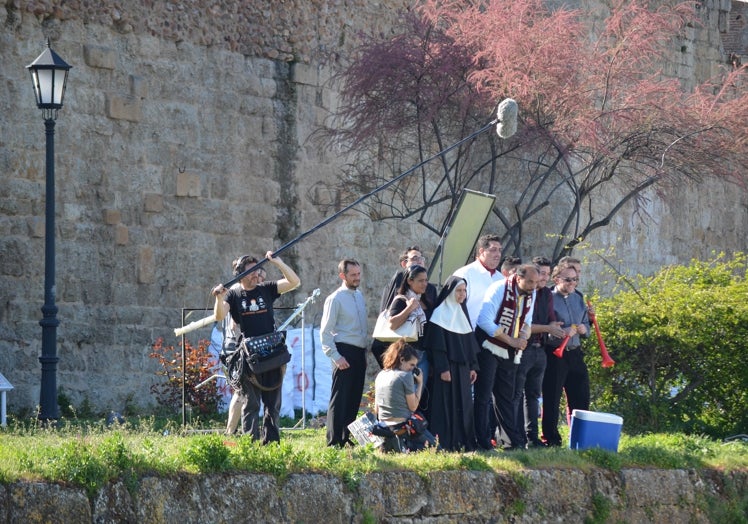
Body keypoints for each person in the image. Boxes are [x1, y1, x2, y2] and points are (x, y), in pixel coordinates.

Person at [212, 252, 300, 443]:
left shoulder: (266, 289)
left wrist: (277, 262)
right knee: (250, 403)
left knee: (273, 404)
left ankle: (272, 445)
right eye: (251, 271)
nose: (256, 274)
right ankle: (249, 445)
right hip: (248, 356)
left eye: (257, 269)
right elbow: (219, 316)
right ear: (240, 274)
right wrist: (219, 298)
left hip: (272, 353)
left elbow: (294, 282)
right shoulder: (234, 295)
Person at [475, 264, 538, 450]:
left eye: (535, 282)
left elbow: (528, 321)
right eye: (530, 282)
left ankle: (511, 441)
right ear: (518, 278)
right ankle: (483, 441)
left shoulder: (530, 293)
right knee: (483, 395)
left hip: (510, 350)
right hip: (488, 346)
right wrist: (511, 340)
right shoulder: (499, 289)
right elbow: (484, 320)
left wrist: (524, 337)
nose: (534, 286)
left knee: (506, 396)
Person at [514, 257, 565, 448]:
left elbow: (550, 320)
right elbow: (524, 325)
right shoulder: (525, 294)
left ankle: (532, 437)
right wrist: (548, 328)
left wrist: (553, 326)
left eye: (547, 274)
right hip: (524, 348)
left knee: (534, 395)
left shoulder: (546, 295)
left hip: (540, 349)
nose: (544, 278)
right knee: (517, 394)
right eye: (541, 274)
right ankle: (516, 436)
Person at [423, 276, 479, 451]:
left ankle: (463, 443)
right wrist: (443, 368)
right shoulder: (439, 314)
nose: (462, 295)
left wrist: (473, 367)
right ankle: (444, 443)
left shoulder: (462, 313)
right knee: (445, 405)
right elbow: (437, 347)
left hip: (462, 369)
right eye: (459, 291)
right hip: (446, 369)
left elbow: (470, 344)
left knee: (464, 405)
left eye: (464, 291)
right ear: (450, 292)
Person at [320, 259, 369, 447]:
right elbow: (325, 332)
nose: (357, 278)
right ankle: (333, 442)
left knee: (354, 397)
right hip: (344, 351)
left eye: (358, 274)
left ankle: (346, 437)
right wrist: (335, 356)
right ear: (343, 275)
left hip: (359, 351)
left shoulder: (359, 296)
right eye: (353, 275)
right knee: (340, 398)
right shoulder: (335, 298)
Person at [541, 263, 591, 447]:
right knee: (552, 398)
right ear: (556, 279)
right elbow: (544, 331)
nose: (572, 283)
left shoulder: (578, 298)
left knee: (581, 396)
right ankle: (551, 439)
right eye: (568, 279)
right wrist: (563, 331)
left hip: (575, 353)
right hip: (555, 354)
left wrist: (585, 329)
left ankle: (580, 440)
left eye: (575, 279)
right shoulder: (547, 298)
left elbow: (586, 324)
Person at [373, 246, 437, 368]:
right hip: (403, 352)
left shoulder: (429, 290)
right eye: (415, 258)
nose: (419, 261)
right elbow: (391, 321)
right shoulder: (399, 288)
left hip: (422, 351)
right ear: (404, 264)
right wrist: (409, 308)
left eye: (421, 258)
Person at [374, 339, 435, 452]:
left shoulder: (381, 375)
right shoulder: (405, 376)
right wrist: (420, 383)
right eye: (412, 364)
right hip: (401, 427)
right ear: (402, 360)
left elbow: (376, 409)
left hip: (383, 426)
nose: (413, 369)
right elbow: (413, 407)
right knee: (438, 450)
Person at [387, 264, 433, 394]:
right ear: (409, 281)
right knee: (406, 394)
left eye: (426, 280)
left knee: (418, 393)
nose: (425, 284)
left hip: (423, 354)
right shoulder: (401, 300)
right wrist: (409, 308)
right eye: (420, 281)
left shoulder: (425, 300)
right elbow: (392, 324)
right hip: (405, 355)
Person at [453, 234, 504, 329]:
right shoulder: (464, 274)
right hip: (467, 333)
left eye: (500, 250)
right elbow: (453, 307)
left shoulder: (501, 279)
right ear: (481, 251)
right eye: (493, 250)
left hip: (492, 336)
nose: (498, 254)